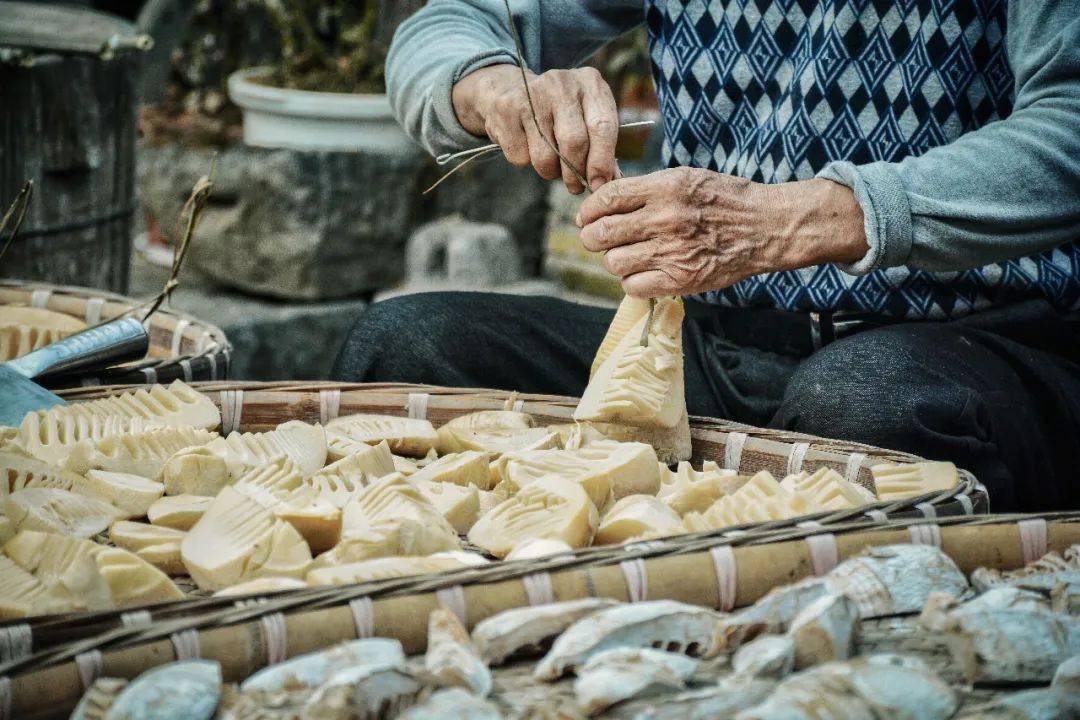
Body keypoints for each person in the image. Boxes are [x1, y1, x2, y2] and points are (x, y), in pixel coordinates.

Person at [333, 0, 1080, 513]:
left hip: (987, 342)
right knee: (398, 349)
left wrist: (791, 220)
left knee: (860, 407)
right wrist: (491, 85)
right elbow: (451, 22)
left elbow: (1067, 131)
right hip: (717, 344)